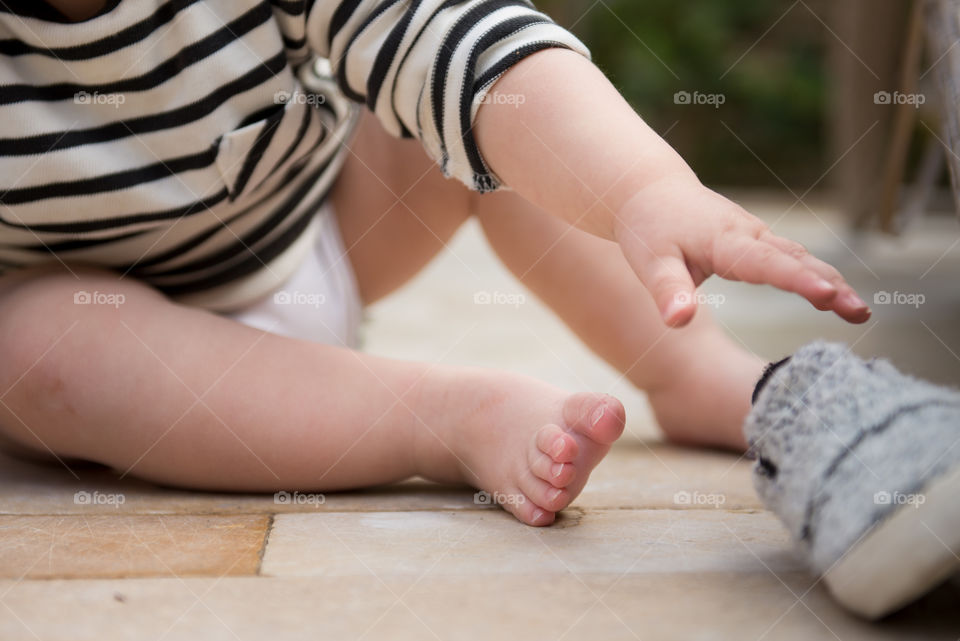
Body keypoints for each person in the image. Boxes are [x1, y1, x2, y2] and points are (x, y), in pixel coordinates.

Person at [0, 0, 869, 529]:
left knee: (469, 112)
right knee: (32, 344)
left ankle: (692, 366)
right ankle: (442, 417)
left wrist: (641, 189)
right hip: (112, 350)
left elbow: (450, 28)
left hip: (316, 248)